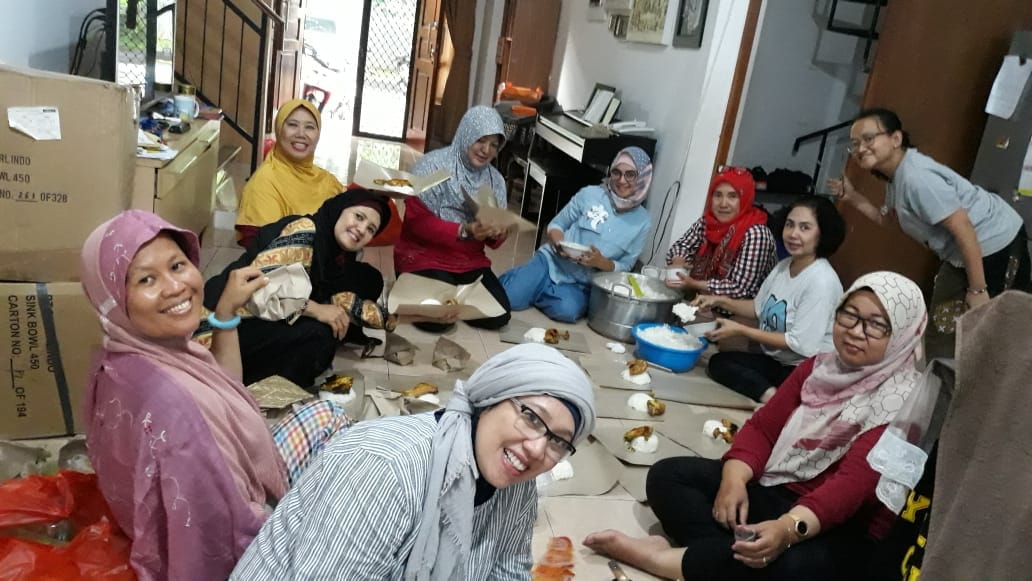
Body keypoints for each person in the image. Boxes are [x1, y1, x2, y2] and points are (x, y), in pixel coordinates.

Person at [584, 271, 928, 580]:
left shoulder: (904, 403)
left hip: (834, 524)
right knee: (668, 476)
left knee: (796, 569)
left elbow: (850, 489)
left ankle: (664, 560)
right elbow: (763, 428)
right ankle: (726, 561)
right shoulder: (819, 368)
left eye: (876, 325)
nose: (855, 331)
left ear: (903, 334)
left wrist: (786, 529)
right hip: (778, 486)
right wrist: (734, 480)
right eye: (849, 315)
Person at [80, 210, 348, 580]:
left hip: (150, 519)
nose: (175, 287)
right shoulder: (179, 412)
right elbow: (231, 529)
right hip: (245, 554)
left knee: (325, 415)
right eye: (146, 279)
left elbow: (226, 386)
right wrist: (313, 527)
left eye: (177, 266)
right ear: (115, 298)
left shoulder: (123, 356)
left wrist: (225, 311)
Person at [230, 343, 597, 579]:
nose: (537, 448)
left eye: (558, 441)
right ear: (489, 399)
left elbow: (508, 569)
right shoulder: (385, 470)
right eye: (531, 417)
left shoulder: (517, 486)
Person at [829, 108, 1030, 357]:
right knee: (943, 331)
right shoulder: (896, 177)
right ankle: (945, 374)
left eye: (868, 139)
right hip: (963, 250)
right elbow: (888, 220)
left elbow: (963, 228)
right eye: (855, 144)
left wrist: (978, 290)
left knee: (991, 328)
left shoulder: (917, 178)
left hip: (995, 241)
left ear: (895, 139)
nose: (860, 148)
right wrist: (853, 198)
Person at [204, 189, 395, 389]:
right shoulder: (304, 231)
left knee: (368, 278)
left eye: (371, 229)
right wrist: (317, 309)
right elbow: (259, 292)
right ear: (340, 209)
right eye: (358, 217)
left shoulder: (336, 248)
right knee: (320, 336)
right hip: (226, 322)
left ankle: (339, 327)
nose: (362, 229)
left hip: (271, 307)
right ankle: (263, 388)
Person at [694, 196, 846, 403]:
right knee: (719, 362)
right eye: (790, 224)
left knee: (793, 387)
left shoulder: (822, 281)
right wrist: (718, 301)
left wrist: (741, 330)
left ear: (823, 233)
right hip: (777, 362)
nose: (793, 234)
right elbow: (758, 308)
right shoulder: (784, 266)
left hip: (809, 370)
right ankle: (773, 397)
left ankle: (782, 401)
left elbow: (800, 344)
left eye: (805, 228)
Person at [500, 147, 654, 322]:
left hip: (582, 283)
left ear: (643, 178)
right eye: (616, 172)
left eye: (630, 175)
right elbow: (556, 225)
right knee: (510, 298)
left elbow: (626, 266)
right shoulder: (590, 194)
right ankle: (526, 281)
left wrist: (601, 262)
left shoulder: (643, 222)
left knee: (567, 311)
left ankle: (533, 287)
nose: (621, 180)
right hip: (551, 261)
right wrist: (560, 245)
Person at [393, 105, 512, 332]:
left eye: (494, 145)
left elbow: (494, 242)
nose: (486, 150)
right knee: (435, 323)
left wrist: (499, 231)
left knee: (500, 314)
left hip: (468, 262)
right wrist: (465, 230)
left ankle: (450, 296)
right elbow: (416, 224)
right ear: (467, 133)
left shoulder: (495, 180)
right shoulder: (431, 166)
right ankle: (439, 295)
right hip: (424, 256)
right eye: (480, 140)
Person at [235, 99, 346, 249]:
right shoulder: (264, 182)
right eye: (292, 125)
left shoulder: (326, 180)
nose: (301, 134)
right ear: (279, 129)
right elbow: (266, 248)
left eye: (309, 127)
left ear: (318, 134)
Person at [666, 166, 778, 299]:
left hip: (738, 309)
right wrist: (678, 260)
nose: (723, 204)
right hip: (704, 301)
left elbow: (740, 289)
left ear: (745, 198)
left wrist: (694, 284)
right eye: (718, 195)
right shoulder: (707, 222)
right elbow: (681, 246)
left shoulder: (756, 234)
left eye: (732, 196)